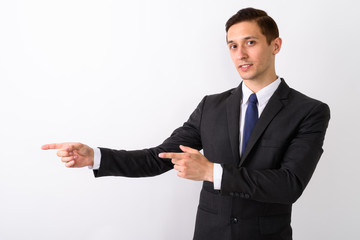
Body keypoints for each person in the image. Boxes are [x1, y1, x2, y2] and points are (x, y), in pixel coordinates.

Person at [42, 7, 330, 240]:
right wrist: (97, 156)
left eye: (250, 43)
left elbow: (289, 185)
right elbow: (158, 158)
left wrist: (211, 171)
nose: (240, 54)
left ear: (275, 45)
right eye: (232, 45)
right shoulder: (211, 106)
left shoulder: (309, 111)